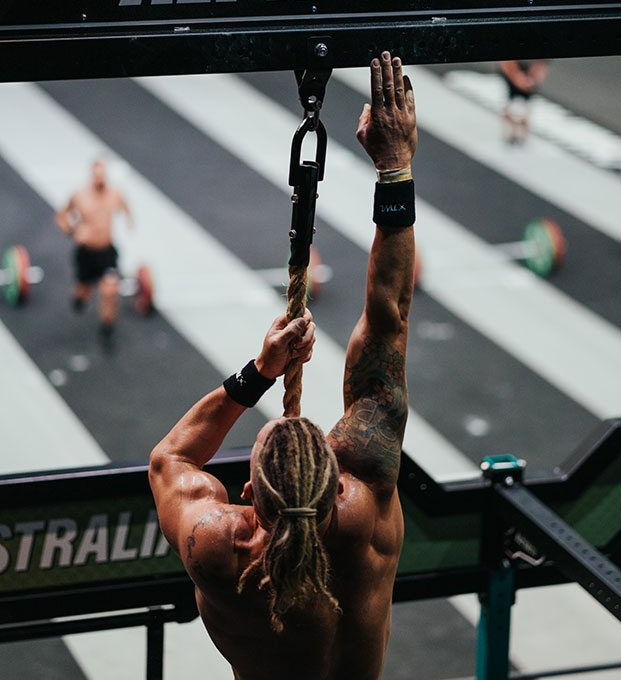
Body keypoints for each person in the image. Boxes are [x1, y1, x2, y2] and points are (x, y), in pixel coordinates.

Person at [149, 50, 417, 680]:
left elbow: (171, 461)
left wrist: (261, 372)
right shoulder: (366, 510)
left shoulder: (220, 547)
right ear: (335, 483)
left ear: (247, 497)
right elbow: (389, 319)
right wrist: (395, 165)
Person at [55, 159, 132, 347]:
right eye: (97, 174)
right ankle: (80, 298)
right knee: (84, 291)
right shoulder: (80, 196)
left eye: (103, 174)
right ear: (92, 174)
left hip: (106, 252)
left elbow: (127, 209)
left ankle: (107, 331)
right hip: (87, 253)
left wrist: (131, 221)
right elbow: (62, 215)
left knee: (109, 290)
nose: (100, 178)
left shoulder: (115, 194)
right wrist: (71, 230)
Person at [499, 59, 549, 144]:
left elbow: (541, 67)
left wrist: (527, 79)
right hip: (519, 79)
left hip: (525, 80)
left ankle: (517, 132)